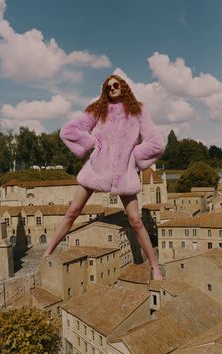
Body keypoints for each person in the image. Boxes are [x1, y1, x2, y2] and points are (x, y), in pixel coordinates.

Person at [43, 74, 165, 280]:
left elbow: (156, 142)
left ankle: (154, 267)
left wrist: (135, 156)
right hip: (96, 169)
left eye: (116, 85)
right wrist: (91, 143)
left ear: (123, 86)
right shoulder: (97, 109)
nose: (113, 89)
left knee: (135, 221)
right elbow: (68, 130)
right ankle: (47, 253)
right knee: (72, 211)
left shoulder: (138, 110)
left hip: (124, 173)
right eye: (108, 88)